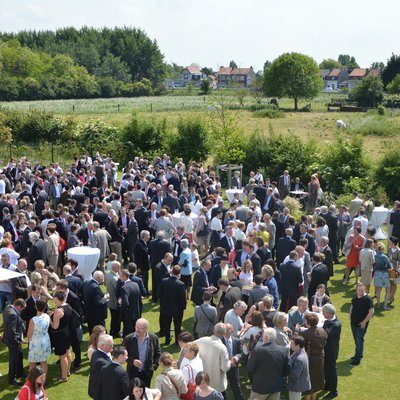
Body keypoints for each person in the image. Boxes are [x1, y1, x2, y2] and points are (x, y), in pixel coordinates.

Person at [247, 327, 291, 400]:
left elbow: (250, 369)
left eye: (263, 336)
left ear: (266, 337)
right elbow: (287, 370)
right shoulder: (283, 350)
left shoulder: (257, 350)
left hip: (260, 388)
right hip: (276, 387)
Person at [123, 318, 161, 387]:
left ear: (146, 329)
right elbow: (123, 354)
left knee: (145, 394)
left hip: (147, 373)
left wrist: (153, 367)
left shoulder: (153, 338)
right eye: (137, 327)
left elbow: (157, 354)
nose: (138, 330)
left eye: (141, 328)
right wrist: (132, 361)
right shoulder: (129, 338)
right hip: (132, 372)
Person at [195, 323, 231, 396]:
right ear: (224, 333)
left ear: (213, 330)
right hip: (216, 386)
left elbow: (187, 347)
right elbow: (225, 368)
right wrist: (230, 362)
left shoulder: (201, 340)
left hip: (202, 382)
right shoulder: (222, 348)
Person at [299, 313, 327, 400]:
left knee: (309, 381)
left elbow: (299, 341)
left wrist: (297, 330)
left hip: (310, 359)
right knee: (316, 380)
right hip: (320, 358)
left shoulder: (306, 333)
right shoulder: (322, 331)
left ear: (308, 323)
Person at [159, 265, 187, 345]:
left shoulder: (164, 281)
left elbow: (160, 295)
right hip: (177, 309)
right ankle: (177, 341)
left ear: (171, 272)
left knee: (167, 324)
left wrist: (162, 305)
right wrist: (183, 307)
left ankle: (167, 340)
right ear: (179, 273)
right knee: (177, 325)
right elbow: (182, 298)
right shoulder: (181, 284)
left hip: (166, 307)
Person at [49, 290, 73, 383]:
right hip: (67, 331)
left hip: (60, 335)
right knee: (68, 352)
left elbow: (55, 326)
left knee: (62, 356)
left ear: (56, 298)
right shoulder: (68, 306)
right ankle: (67, 371)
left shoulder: (58, 310)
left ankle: (64, 377)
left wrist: (48, 318)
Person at [349, 283, 374, 366]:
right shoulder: (355, 297)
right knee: (357, 340)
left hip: (361, 325)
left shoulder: (368, 299)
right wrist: (350, 317)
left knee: (359, 341)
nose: (360, 291)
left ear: (365, 290)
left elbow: (371, 312)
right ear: (356, 290)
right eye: (358, 290)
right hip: (353, 323)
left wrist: (364, 322)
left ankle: (357, 360)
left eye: (361, 290)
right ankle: (359, 354)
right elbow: (352, 306)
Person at [3, 298, 26, 385]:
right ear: (19, 306)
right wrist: (17, 341)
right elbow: (12, 331)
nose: (22, 310)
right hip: (13, 341)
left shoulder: (7, 308)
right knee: (13, 360)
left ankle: (20, 372)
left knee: (20, 355)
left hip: (9, 339)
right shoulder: (13, 315)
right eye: (22, 308)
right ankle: (12, 379)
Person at [27, 297, 51, 376]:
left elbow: (29, 334)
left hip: (35, 342)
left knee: (32, 362)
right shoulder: (47, 316)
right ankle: (43, 381)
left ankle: (32, 381)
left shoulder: (33, 320)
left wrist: (28, 339)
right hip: (45, 341)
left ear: (36, 307)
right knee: (43, 361)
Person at [322, 304, 341, 399]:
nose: (322, 313)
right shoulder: (327, 321)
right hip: (326, 349)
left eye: (324, 312)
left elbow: (326, 334)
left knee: (332, 371)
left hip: (332, 351)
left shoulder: (336, 325)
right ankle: (328, 385)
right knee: (326, 369)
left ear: (329, 313)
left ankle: (334, 391)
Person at [221, 323, 244, 400]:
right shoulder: (219, 341)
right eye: (224, 330)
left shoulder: (237, 341)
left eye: (228, 330)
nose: (225, 332)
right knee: (222, 387)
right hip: (223, 367)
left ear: (232, 331)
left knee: (236, 386)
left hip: (234, 367)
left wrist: (237, 357)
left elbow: (241, 353)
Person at [89, 334, 114, 400]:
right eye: (111, 345)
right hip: (101, 393)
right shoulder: (101, 362)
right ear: (103, 346)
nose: (113, 346)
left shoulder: (96, 352)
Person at [288, 335, 311, 400]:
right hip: (297, 384)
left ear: (297, 346)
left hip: (296, 386)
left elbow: (294, 375)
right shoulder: (299, 351)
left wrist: (285, 373)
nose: (290, 345)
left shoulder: (299, 359)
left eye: (292, 344)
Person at [119, 269, 141, 337]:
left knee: (127, 333)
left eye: (120, 276)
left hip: (128, 315)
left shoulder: (124, 288)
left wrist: (121, 303)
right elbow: (139, 299)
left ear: (124, 276)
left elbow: (125, 303)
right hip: (136, 312)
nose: (119, 277)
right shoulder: (136, 284)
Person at [374, 242, 392, 310]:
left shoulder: (375, 256)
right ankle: (385, 306)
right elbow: (389, 266)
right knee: (387, 290)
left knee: (378, 290)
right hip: (384, 274)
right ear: (383, 249)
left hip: (377, 274)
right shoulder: (385, 257)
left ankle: (378, 304)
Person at [388, 236, 400, 304]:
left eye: (390, 242)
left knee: (394, 283)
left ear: (393, 243)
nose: (389, 243)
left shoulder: (398, 250)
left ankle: (392, 297)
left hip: (395, 269)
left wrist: (393, 260)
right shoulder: (390, 249)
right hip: (390, 268)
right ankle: (390, 296)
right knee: (390, 283)